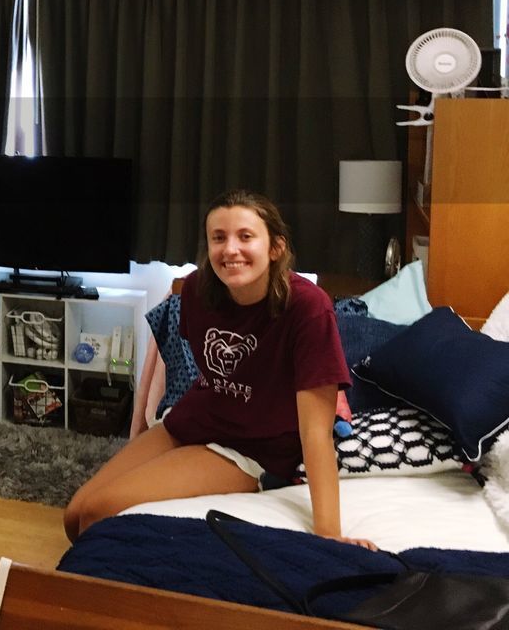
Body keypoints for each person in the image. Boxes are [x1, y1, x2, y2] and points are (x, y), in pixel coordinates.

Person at [63, 189, 376, 549]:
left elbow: (316, 434)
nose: (230, 249)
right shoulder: (198, 289)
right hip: (195, 419)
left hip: (250, 447)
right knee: (75, 514)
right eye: (219, 238)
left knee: (98, 512)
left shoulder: (307, 308)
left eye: (245, 237)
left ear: (275, 247)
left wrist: (329, 536)